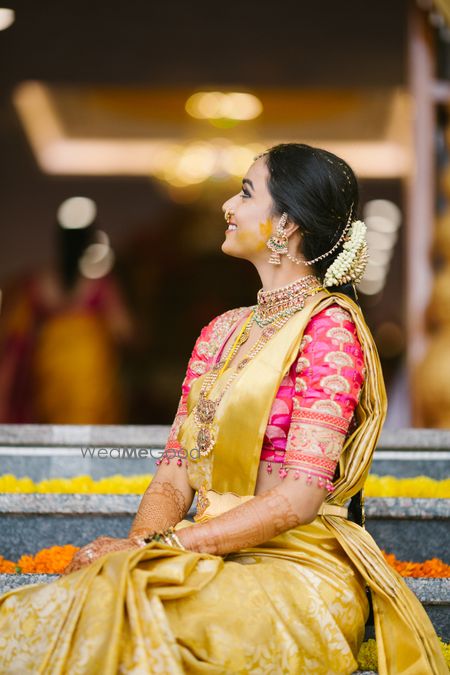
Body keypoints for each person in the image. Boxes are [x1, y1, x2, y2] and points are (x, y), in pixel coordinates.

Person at [0, 145, 446, 674]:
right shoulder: (220, 332)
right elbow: (171, 477)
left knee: (122, 618)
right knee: (83, 599)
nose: (227, 206)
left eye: (246, 193)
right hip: (202, 556)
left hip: (295, 569)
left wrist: (170, 547)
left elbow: (300, 499)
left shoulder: (331, 330)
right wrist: (141, 548)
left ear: (288, 224)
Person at [0, 197, 134, 424]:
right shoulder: (100, 285)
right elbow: (123, 329)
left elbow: (16, 334)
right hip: (89, 368)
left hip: (48, 365)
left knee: (54, 430)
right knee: (87, 434)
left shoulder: (39, 281)